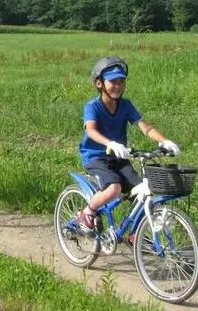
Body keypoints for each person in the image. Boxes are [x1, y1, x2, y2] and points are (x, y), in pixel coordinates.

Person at [77, 56, 181, 234]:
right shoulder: (92, 106)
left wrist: (164, 140)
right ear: (99, 83)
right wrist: (110, 143)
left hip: (119, 156)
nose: (118, 86)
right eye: (113, 82)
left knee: (141, 190)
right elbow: (91, 131)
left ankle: (136, 234)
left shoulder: (126, 105)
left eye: (122, 82)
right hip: (96, 157)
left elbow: (145, 127)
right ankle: (87, 212)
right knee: (114, 188)